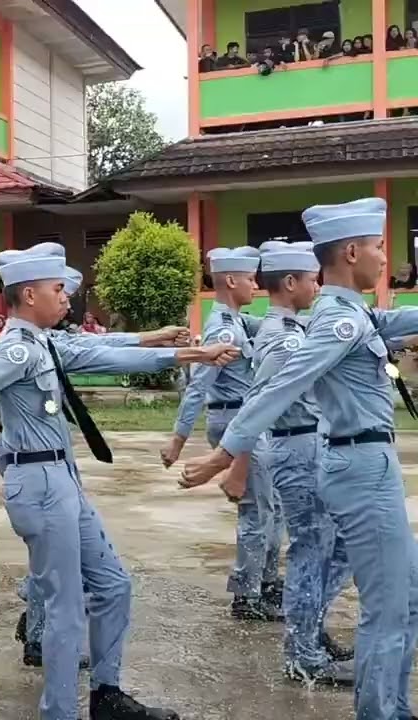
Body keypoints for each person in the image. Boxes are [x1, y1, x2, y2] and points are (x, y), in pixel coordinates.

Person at [0, 246, 239, 720]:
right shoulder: (17, 349)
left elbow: (104, 352)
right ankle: (60, 711)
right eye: (57, 289)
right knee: (65, 609)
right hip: (38, 484)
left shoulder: (44, 342)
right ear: (29, 294)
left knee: (113, 586)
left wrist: (193, 351)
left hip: (61, 477)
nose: (66, 296)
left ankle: (106, 695)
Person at [182, 197, 418, 720]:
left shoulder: (353, 313)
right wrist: (226, 455)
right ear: (352, 252)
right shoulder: (338, 322)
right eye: (379, 247)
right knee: (390, 605)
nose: (386, 257)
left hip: (362, 462)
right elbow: (276, 388)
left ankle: (389, 703)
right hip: (359, 469)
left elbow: (399, 318)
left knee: (408, 593)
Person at [186, 242, 355, 685]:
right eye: (313, 278)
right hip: (291, 449)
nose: (318, 285)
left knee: (321, 546)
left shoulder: (286, 329)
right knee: (302, 546)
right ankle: (300, 646)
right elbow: (258, 400)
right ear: (293, 283)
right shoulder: (281, 339)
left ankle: (310, 635)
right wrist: (232, 461)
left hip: (305, 446)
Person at [161, 247, 283, 621]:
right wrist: (178, 440)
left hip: (245, 420)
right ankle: (247, 596)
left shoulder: (238, 321)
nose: (256, 285)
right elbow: (199, 386)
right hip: (234, 422)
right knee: (256, 511)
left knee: (271, 509)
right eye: (250, 279)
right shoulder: (223, 328)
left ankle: (266, 583)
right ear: (231, 281)